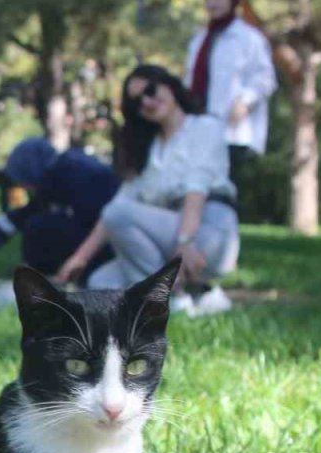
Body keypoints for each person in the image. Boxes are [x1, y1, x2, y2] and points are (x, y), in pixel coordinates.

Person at [57, 65, 240, 315]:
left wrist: (185, 242)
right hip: (169, 237)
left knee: (120, 216)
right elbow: (115, 209)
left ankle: (166, 300)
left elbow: (196, 190)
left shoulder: (204, 127)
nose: (147, 101)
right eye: (137, 102)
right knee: (100, 282)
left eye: (151, 90)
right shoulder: (148, 149)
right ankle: (201, 295)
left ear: (169, 85)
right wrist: (80, 258)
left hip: (207, 234)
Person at [0, 137, 119, 286]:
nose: (22, 185)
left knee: (38, 227)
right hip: (103, 236)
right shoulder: (57, 174)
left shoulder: (74, 174)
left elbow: (96, 219)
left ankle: (41, 279)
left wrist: (78, 259)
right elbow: (20, 216)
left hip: (108, 244)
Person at [184, 0, 276, 196]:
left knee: (224, 192)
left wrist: (245, 101)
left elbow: (265, 79)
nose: (212, 3)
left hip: (231, 131)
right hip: (197, 126)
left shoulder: (250, 39)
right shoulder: (199, 40)